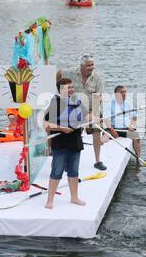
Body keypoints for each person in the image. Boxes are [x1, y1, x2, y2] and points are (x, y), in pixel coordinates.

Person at [43, 78, 90, 209]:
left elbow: (85, 118)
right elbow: (46, 125)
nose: (71, 90)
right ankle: (50, 200)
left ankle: (74, 198)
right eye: (68, 88)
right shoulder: (55, 103)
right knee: (56, 172)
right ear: (60, 90)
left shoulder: (76, 101)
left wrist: (93, 118)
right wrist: (62, 128)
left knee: (74, 172)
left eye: (72, 87)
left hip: (75, 142)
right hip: (60, 143)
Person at [57, 55, 107, 171]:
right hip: (75, 109)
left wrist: (93, 115)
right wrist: (60, 92)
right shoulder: (70, 72)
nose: (91, 67)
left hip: (91, 109)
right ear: (82, 66)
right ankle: (67, 162)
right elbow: (59, 73)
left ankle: (98, 161)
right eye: (88, 65)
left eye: (92, 65)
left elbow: (98, 97)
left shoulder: (97, 78)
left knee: (96, 133)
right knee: (72, 136)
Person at [102, 85, 141, 157]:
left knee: (137, 137)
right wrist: (112, 130)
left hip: (125, 129)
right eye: (122, 92)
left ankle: (138, 158)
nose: (125, 94)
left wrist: (132, 125)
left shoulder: (128, 104)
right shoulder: (109, 104)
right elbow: (106, 119)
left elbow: (134, 117)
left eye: (125, 92)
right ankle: (99, 152)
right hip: (112, 128)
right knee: (105, 138)